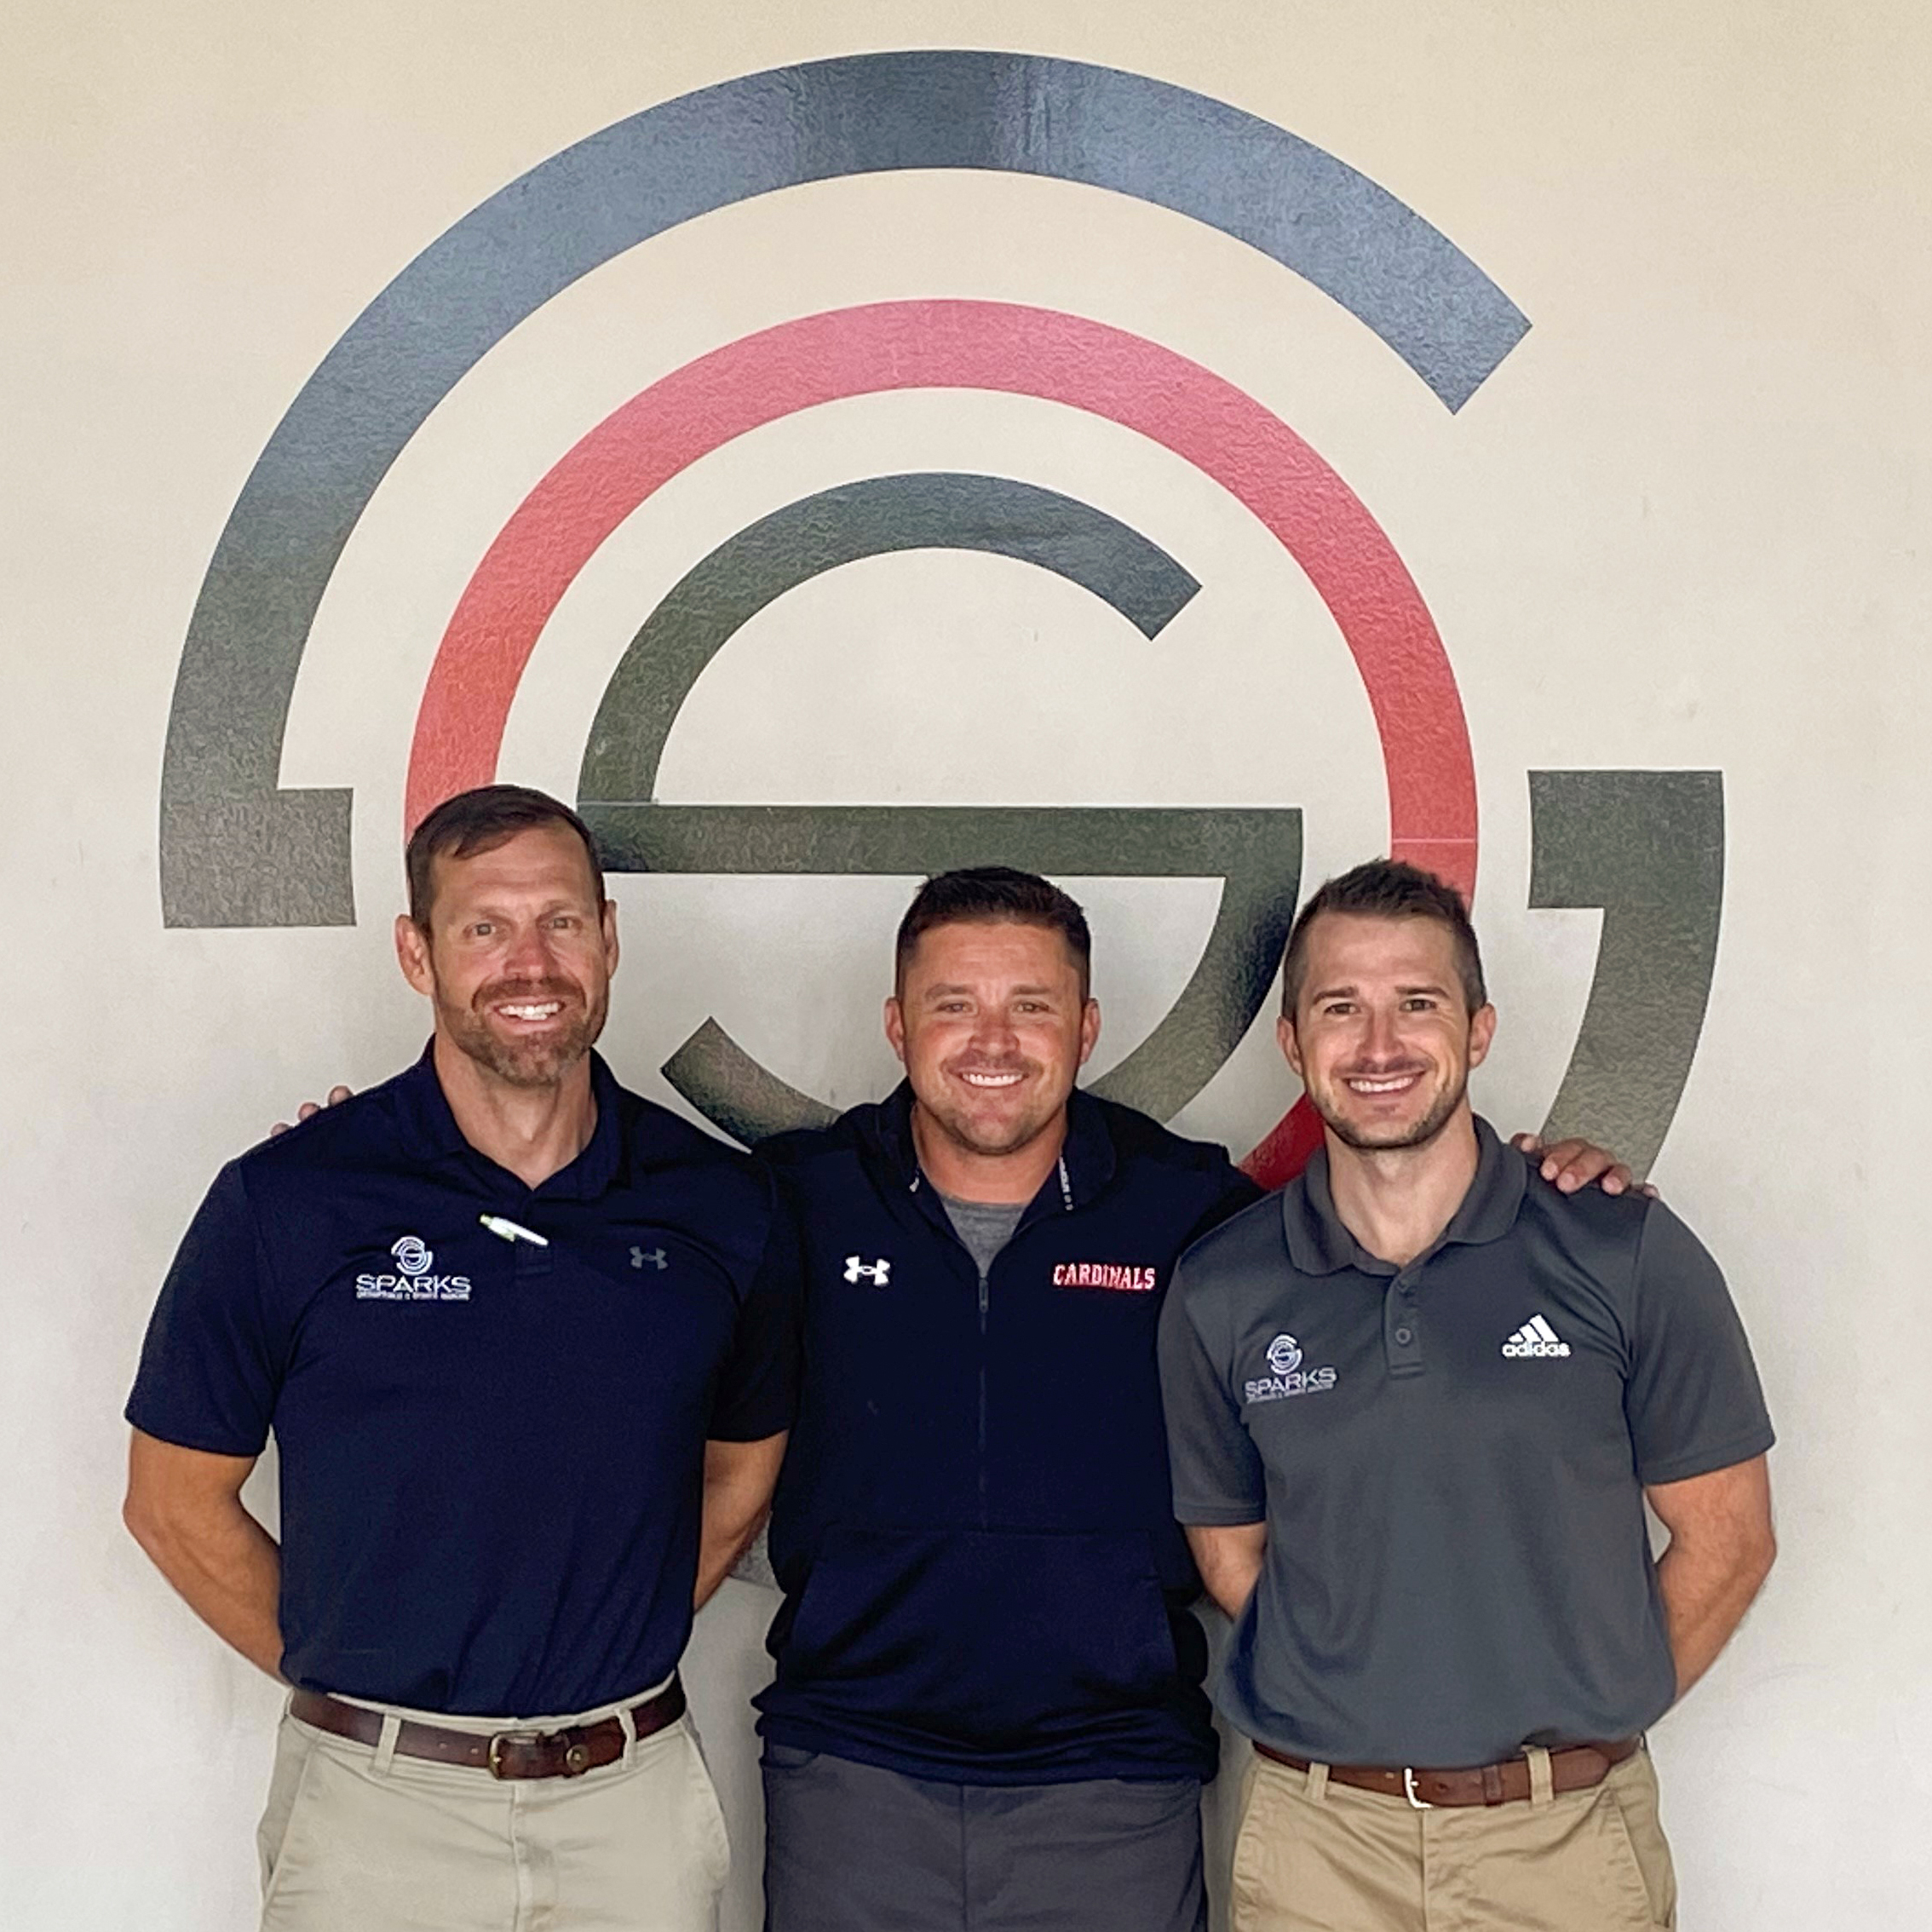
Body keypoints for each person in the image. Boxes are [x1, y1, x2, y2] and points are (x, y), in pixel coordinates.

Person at [750, 866, 1637, 1932]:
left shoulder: (1192, 1210)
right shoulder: (789, 1199)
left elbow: (1391, 1229)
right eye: (954, 1005)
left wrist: (1548, 1181)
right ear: (897, 1026)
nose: (993, 1041)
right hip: (849, 1771)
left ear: (1086, 1028)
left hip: (1117, 1782)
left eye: (1031, 1007)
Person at [123, 785, 797, 1932]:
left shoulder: (721, 1205)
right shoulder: (290, 1200)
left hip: (627, 1806)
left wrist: (591, 1630)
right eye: (484, 927)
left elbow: (740, 1477)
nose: (530, 963)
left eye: (561, 923)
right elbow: (174, 1504)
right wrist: (359, 1663)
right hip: (374, 1814)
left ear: (610, 938)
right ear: (415, 951)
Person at [1159, 859, 1776, 1932]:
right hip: (1317, 1849)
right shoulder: (1223, 1288)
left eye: (1418, 1004)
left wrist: (1584, 1716)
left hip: (1568, 1847)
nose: (1381, 1045)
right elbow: (1233, 1552)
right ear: (1293, 1043)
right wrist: (1367, 1690)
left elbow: (1730, 1540)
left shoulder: (1622, 1249)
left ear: (1479, 1030)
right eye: (1341, 1008)